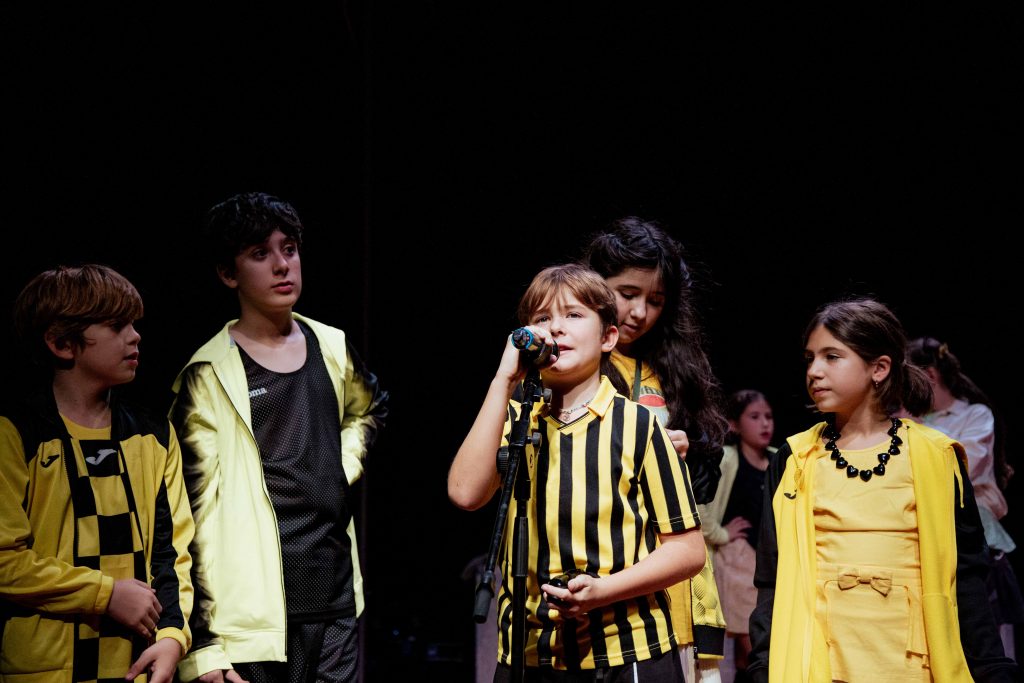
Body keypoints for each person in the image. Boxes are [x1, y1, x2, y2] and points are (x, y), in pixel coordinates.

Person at [448, 263, 707, 682]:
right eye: (541, 318)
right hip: (527, 652)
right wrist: (504, 380)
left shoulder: (639, 425)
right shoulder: (514, 420)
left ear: (608, 337)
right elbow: (465, 492)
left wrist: (603, 591)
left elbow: (688, 550)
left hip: (627, 652)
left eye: (572, 315)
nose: (556, 328)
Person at [169, 192, 389, 683]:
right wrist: (204, 646)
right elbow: (190, 516)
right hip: (250, 618)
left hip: (334, 597)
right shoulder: (208, 374)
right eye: (259, 253)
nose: (281, 265)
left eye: (289, 248)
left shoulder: (331, 344)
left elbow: (370, 408)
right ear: (228, 273)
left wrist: (338, 468)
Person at [749, 297, 1017, 682]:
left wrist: (992, 667)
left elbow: (966, 576)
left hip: (913, 665)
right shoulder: (796, 459)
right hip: (819, 666)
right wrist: (762, 666)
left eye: (831, 356)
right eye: (810, 358)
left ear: (879, 368)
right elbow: (771, 578)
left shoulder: (934, 456)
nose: (814, 371)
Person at [0, 264, 194, 683]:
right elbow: (4, 559)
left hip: (135, 666)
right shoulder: (16, 433)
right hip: (44, 671)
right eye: (117, 325)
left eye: (134, 324)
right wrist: (104, 595)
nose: (135, 336)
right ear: (61, 343)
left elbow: (170, 553)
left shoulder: (154, 435)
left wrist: (172, 636)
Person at [582, 217, 729, 681]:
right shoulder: (570, 365)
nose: (640, 312)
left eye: (656, 301)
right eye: (627, 293)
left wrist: (685, 456)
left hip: (677, 591)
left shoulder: (673, 368)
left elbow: (705, 486)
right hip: (601, 586)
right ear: (595, 284)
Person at [908, 336, 1024, 658]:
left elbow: (962, 467)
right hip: (924, 534)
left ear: (930, 375)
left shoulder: (974, 415)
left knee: (986, 640)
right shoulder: (905, 420)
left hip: (973, 534)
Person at [700, 390, 776, 683]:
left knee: (754, 653)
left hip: (772, 562)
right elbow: (701, 505)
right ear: (735, 424)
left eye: (768, 416)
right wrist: (721, 534)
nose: (764, 424)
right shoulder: (728, 459)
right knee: (754, 648)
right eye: (754, 417)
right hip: (739, 561)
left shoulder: (779, 458)